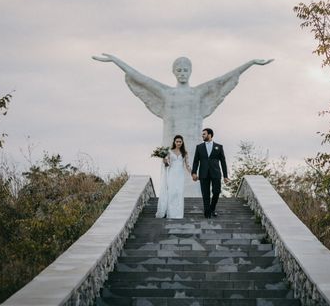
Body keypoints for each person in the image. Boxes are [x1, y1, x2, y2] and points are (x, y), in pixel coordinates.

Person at [91, 53, 273, 197]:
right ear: (173, 72)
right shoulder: (165, 92)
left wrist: (250, 63)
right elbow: (140, 78)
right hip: (171, 139)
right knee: (172, 172)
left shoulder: (198, 93)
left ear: (190, 71)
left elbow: (222, 79)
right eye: (179, 70)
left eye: (185, 70)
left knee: (193, 171)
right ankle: (170, 199)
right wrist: (115, 60)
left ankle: (197, 197)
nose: (182, 73)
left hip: (194, 141)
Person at [191, 128, 228, 219]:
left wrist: (225, 176)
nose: (202, 136)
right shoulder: (199, 147)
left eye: (204, 134)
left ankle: (212, 209)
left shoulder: (219, 147)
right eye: (202, 134)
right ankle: (207, 212)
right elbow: (196, 161)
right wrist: (194, 172)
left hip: (216, 173)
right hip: (203, 173)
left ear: (210, 135)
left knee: (216, 191)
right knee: (205, 194)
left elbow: (223, 162)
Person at [155, 135, 191, 219]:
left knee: (179, 193)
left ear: (182, 142)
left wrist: (192, 173)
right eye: (177, 141)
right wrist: (164, 160)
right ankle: (170, 213)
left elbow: (187, 165)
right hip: (171, 174)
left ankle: (178, 213)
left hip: (180, 175)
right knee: (171, 192)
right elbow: (167, 164)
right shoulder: (169, 152)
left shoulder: (185, 153)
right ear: (174, 142)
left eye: (180, 141)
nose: (178, 143)